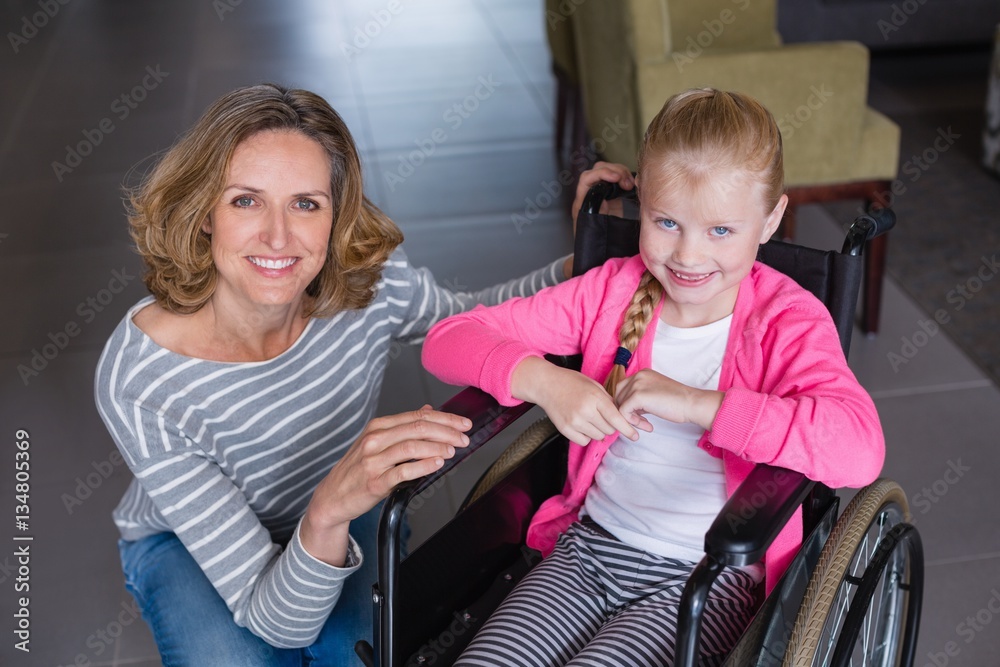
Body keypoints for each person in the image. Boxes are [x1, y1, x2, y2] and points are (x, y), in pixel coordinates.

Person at [93, 83, 573, 667]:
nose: (277, 236)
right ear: (203, 215)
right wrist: (326, 511)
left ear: (335, 217)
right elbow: (274, 619)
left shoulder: (368, 286)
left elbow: (476, 319)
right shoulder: (142, 376)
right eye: (246, 200)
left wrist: (590, 261)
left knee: (358, 656)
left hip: (342, 495)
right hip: (185, 540)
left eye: (306, 203)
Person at [421, 88, 885, 666]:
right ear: (642, 203)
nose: (688, 256)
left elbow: (859, 449)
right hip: (588, 550)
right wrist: (543, 381)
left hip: (706, 580)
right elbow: (447, 340)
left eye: (721, 231)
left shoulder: (786, 320)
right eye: (667, 222)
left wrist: (699, 403)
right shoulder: (611, 291)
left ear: (770, 220)